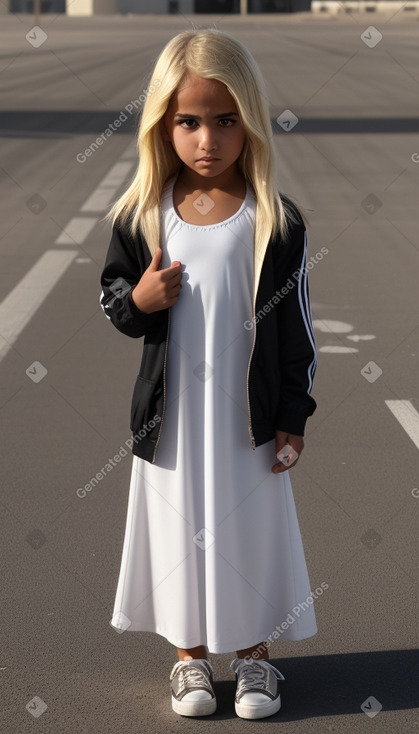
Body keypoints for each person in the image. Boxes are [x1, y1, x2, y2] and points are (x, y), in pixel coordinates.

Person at [99, 27, 318, 721]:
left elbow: (298, 335)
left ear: (248, 120)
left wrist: (293, 414)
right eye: (188, 122)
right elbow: (114, 304)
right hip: (172, 423)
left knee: (246, 531)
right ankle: (189, 659)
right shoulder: (140, 217)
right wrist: (138, 301)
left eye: (224, 121)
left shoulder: (275, 222)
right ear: (163, 124)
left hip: (244, 424)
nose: (207, 140)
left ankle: (253, 658)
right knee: (176, 532)